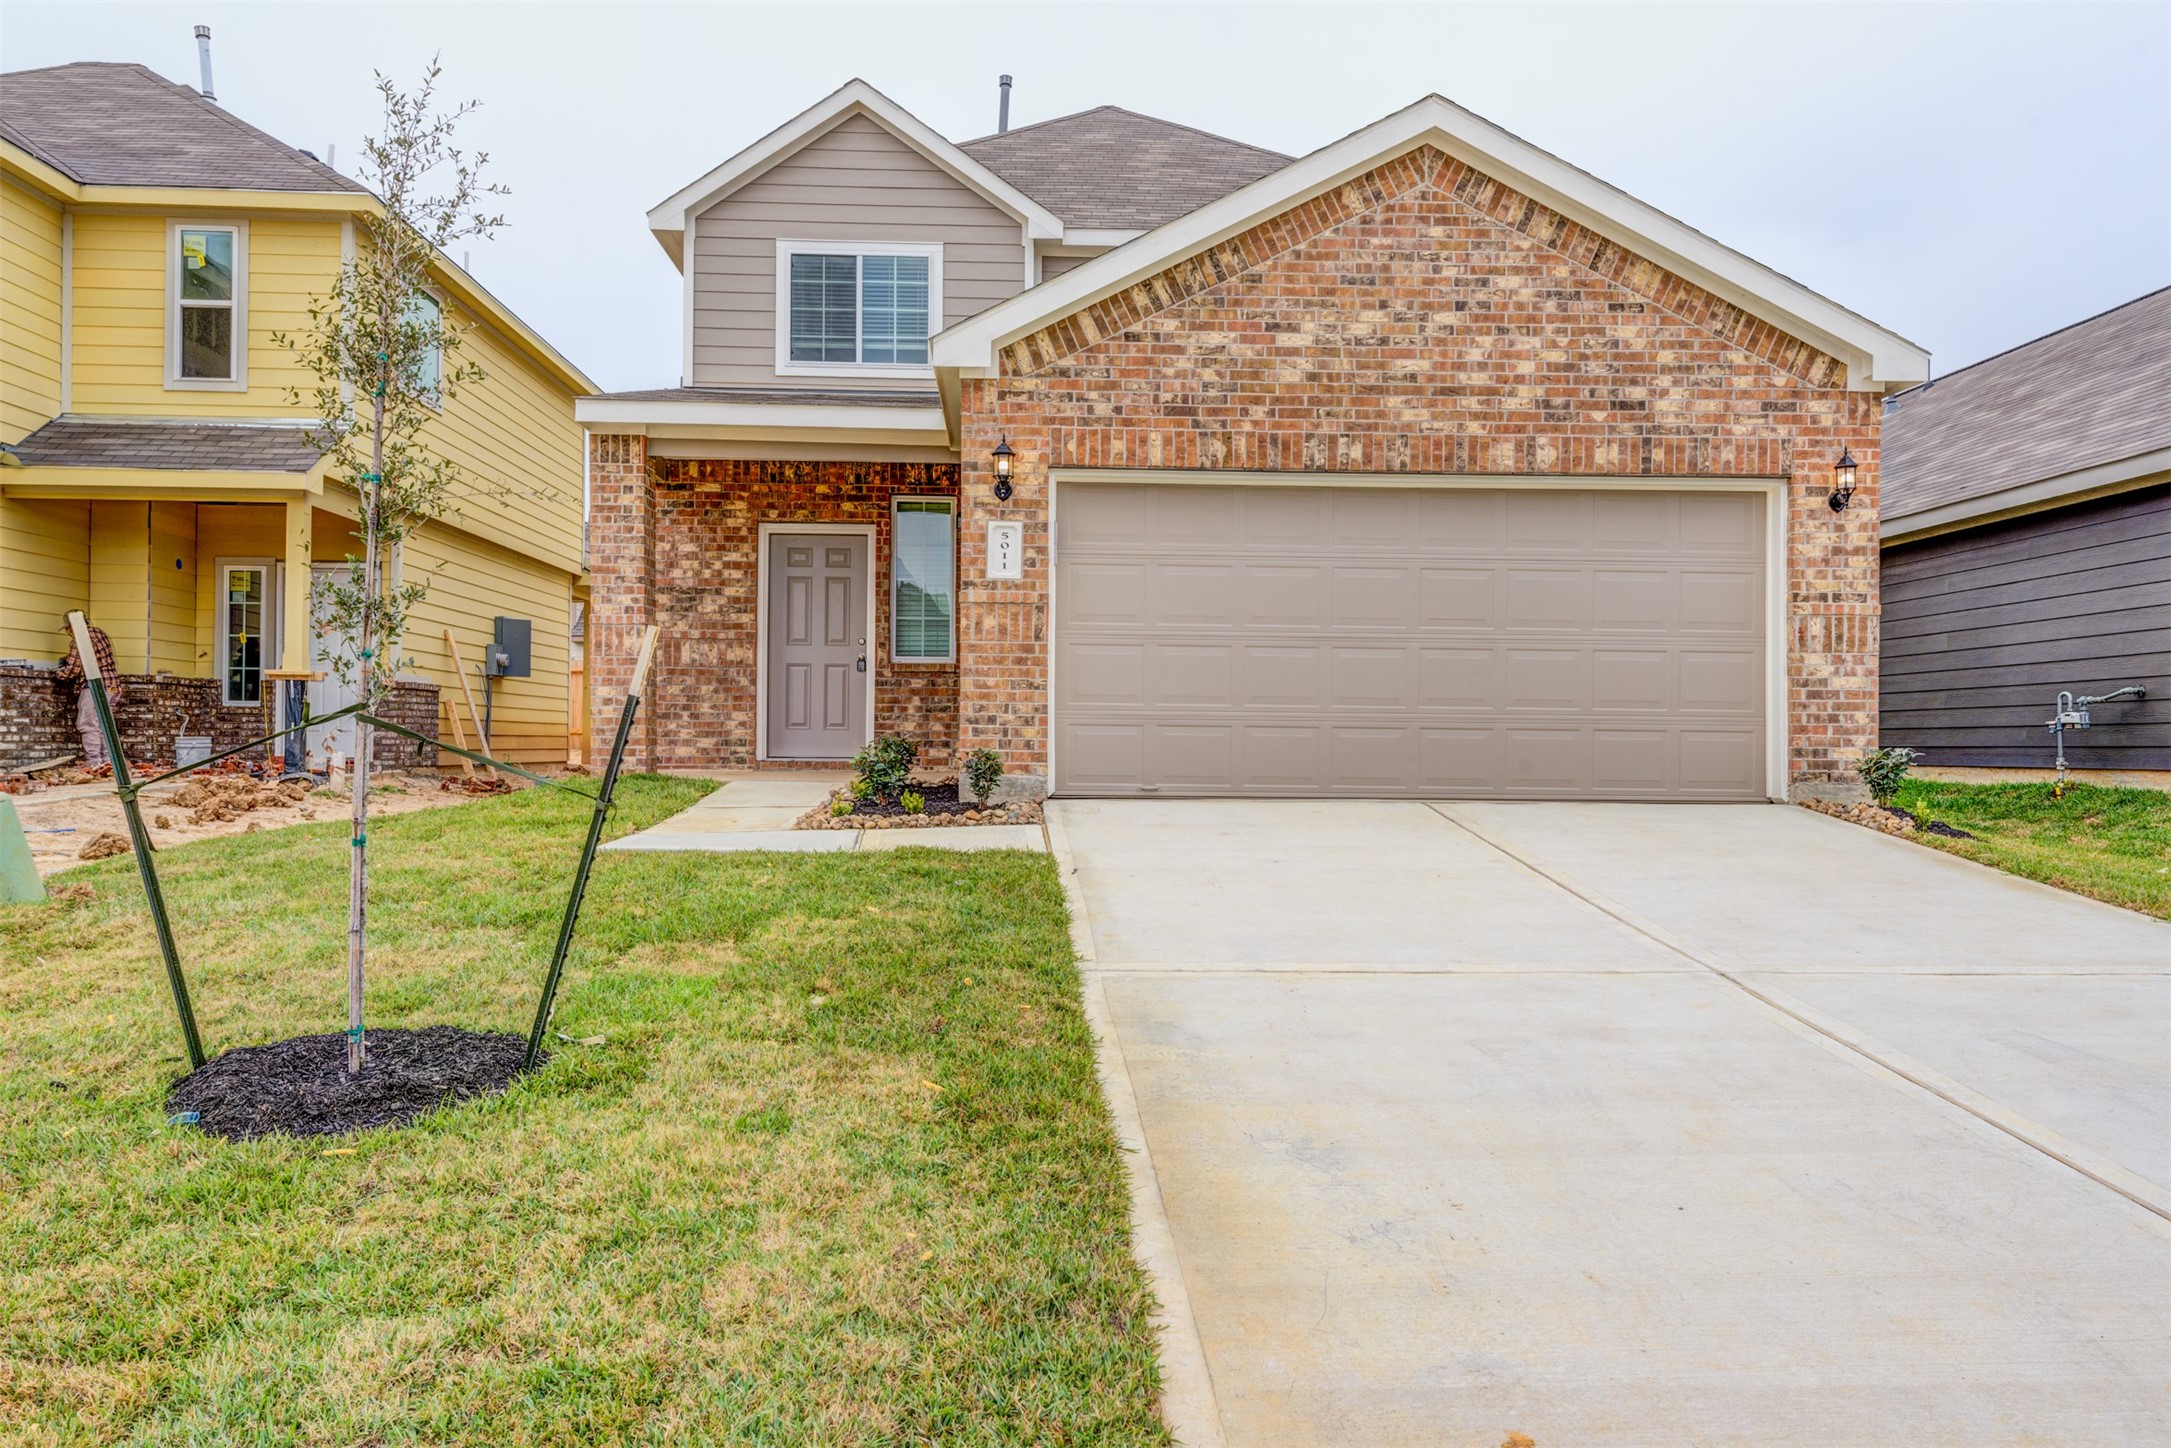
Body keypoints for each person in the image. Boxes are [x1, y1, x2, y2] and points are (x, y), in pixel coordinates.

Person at [57, 619, 118, 767]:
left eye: (68, 629)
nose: (68, 633)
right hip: (112, 685)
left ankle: (94, 763)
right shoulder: (99, 633)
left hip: (95, 686)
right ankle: (108, 763)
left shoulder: (81, 638)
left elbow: (73, 669)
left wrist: (59, 673)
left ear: (72, 626)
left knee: (89, 725)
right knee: (104, 725)